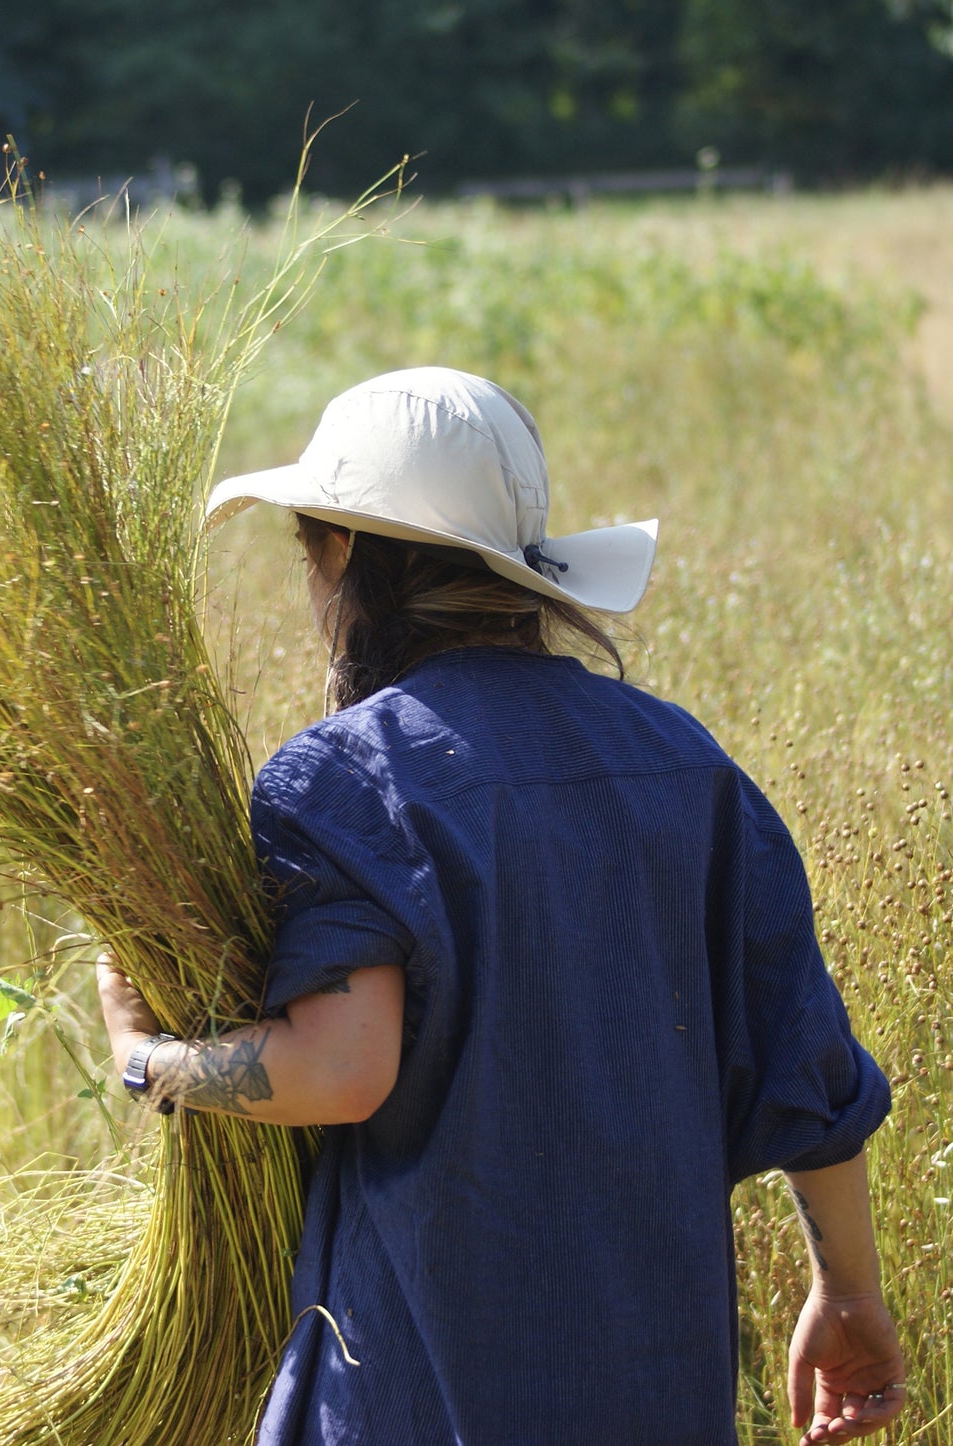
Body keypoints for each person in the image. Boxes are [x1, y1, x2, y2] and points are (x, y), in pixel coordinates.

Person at [97, 368, 905, 1446]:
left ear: (343, 554)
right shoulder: (684, 766)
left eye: (307, 546)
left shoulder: (341, 778)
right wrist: (844, 1294)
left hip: (416, 1397)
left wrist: (146, 1060)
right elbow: (808, 1075)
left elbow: (339, 1070)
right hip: (656, 1396)